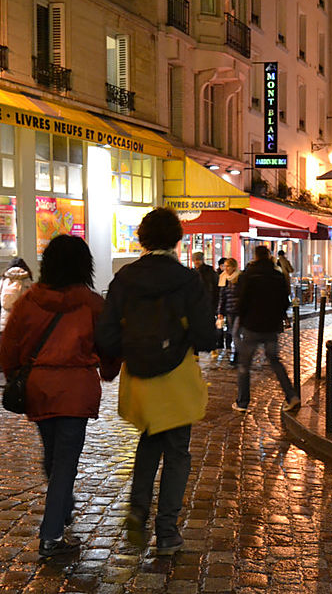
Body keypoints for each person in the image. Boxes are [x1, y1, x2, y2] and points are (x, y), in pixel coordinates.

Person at [97, 208, 215, 556]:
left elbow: (105, 333)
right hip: (177, 374)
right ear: (177, 239)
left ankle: (137, 508)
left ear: (142, 239)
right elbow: (206, 334)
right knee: (177, 450)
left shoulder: (124, 278)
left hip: (140, 377)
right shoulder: (188, 280)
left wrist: (131, 348)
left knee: (149, 439)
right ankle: (167, 532)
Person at [0, 235, 117, 558]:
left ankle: (62, 506)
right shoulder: (92, 303)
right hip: (75, 392)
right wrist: (107, 369)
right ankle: (52, 534)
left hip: (39, 390)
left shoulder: (29, 301)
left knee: (54, 456)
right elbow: (108, 346)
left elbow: (8, 349)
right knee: (65, 461)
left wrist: (17, 378)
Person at [233, 246, 300, 412]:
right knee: (275, 361)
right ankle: (291, 396)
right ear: (269, 256)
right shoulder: (277, 276)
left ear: (255, 257)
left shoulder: (248, 276)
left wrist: (240, 319)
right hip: (271, 326)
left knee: (244, 365)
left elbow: (241, 300)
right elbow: (285, 301)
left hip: (251, 325)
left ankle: (243, 402)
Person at [0, 257, 34, 361]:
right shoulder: (26, 278)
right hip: (21, 313)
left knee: (4, 337)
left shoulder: (4, 278)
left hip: (5, 313)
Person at [217, 258, 241, 364]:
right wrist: (220, 312)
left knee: (235, 333)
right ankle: (237, 353)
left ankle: (238, 354)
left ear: (234, 267)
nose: (226, 268)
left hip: (239, 310)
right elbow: (222, 297)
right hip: (229, 310)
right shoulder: (223, 278)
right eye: (225, 266)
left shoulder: (240, 278)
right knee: (232, 332)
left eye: (228, 266)